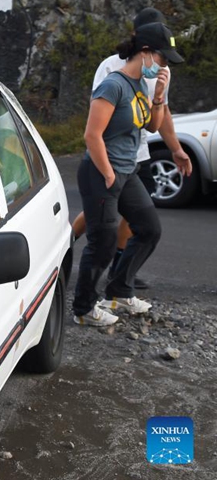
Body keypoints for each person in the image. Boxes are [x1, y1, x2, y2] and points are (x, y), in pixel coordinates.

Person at [71, 8, 193, 290]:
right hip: (110, 160)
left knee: (138, 221)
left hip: (138, 157)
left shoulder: (161, 71)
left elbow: (158, 119)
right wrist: (108, 172)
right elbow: (96, 127)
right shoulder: (111, 70)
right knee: (99, 222)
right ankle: (66, 247)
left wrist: (175, 148)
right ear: (141, 41)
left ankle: (121, 273)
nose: (163, 62)